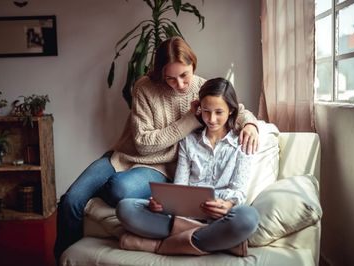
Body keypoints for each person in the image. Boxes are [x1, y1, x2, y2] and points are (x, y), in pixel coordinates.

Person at [54, 37, 260, 259]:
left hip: (160, 167)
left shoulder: (202, 88)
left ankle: (173, 242)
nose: (180, 84)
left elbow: (234, 109)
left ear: (193, 65)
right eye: (170, 78)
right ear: (160, 72)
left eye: (184, 75)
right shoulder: (144, 87)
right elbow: (142, 144)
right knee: (71, 200)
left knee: (119, 190)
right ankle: (63, 258)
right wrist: (189, 120)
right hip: (123, 157)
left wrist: (250, 124)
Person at [115, 77, 259, 257]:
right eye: (206, 111)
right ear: (199, 109)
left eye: (219, 112)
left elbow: (239, 191)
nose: (212, 119)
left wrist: (228, 205)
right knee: (125, 208)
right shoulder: (189, 141)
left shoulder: (242, 142)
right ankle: (218, 242)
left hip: (220, 218)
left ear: (231, 110)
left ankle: (161, 246)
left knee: (248, 218)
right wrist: (164, 204)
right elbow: (180, 186)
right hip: (184, 217)